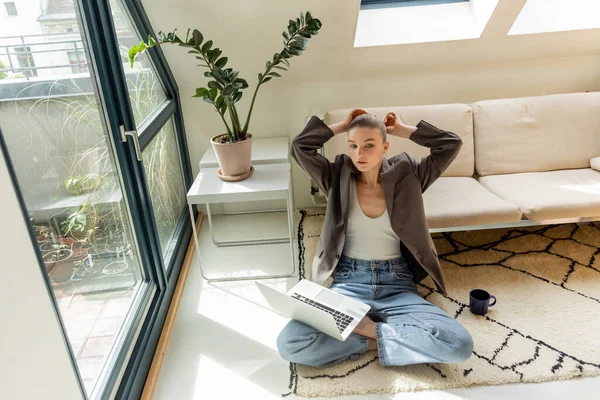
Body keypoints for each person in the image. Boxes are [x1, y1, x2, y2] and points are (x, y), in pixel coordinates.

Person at [277, 109, 474, 368]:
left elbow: (450, 144)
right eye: (353, 145)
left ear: (385, 146)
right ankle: (390, 340)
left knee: (458, 344)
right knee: (291, 342)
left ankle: (368, 333)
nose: (360, 154)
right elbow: (300, 146)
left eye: (369, 145)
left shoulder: (408, 174)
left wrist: (403, 129)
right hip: (349, 283)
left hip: (397, 285)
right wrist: (342, 125)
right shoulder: (337, 175)